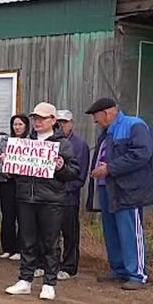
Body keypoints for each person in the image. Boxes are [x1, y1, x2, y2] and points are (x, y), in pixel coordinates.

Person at [4, 103, 80, 301]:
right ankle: (25, 279)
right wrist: (9, 164)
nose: (37, 122)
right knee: (27, 241)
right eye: (35, 118)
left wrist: (61, 167)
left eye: (42, 118)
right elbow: (14, 174)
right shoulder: (25, 142)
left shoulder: (63, 144)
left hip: (51, 200)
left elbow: (74, 172)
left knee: (50, 242)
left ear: (53, 120)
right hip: (26, 198)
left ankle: (49, 282)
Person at [85, 98, 153, 290]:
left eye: (97, 118)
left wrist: (110, 168)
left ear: (107, 114)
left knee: (130, 230)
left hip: (128, 189)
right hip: (108, 187)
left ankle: (137, 274)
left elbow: (142, 154)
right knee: (112, 230)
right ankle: (120, 269)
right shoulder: (106, 132)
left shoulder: (135, 126)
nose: (96, 123)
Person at [56, 109, 90, 280]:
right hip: (50, 196)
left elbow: (80, 174)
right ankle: (50, 264)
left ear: (71, 124)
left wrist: (66, 188)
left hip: (69, 196)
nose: (61, 125)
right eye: (58, 122)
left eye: (64, 122)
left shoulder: (79, 145)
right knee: (50, 233)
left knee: (70, 233)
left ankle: (69, 266)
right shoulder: (52, 142)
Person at [0, 114, 29, 260]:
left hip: (23, 183)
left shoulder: (31, 143)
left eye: (20, 124)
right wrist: (7, 170)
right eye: (15, 124)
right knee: (7, 215)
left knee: (23, 216)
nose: (17, 127)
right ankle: (7, 247)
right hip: (7, 182)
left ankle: (20, 248)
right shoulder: (5, 142)